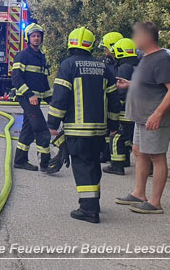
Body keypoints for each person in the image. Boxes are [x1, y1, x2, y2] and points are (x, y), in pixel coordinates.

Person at [47, 27, 121, 223]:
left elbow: (60, 97)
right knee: (93, 164)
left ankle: (88, 210)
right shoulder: (103, 68)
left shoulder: (68, 65)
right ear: (90, 44)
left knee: (82, 166)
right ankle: (94, 203)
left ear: (71, 43)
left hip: (77, 129)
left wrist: (53, 122)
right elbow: (114, 99)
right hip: (100, 130)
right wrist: (114, 124)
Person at [115, 22, 170, 214]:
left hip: (154, 118)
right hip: (142, 117)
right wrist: (129, 84)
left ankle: (155, 202)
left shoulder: (162, 59)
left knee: (157, 156)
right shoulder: (145, 58)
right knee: (138, 151)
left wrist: (158, 113)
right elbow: (151, 82)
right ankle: (139, 193)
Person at [12, 23, 53, 171]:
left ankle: (20, 160)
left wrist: (53, 101)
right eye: (33, 36)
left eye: (38, 36)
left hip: (36, 99)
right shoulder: (23, 55)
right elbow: (16, 77)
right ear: (28, 38)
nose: (36, 38)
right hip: (27, 98)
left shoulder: (41, 57)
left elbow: (44, 82)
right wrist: (29, 94)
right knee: (41, 128)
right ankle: (45, 163)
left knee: (28, 129)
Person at [104, 38, 139, 175]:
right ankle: (125, 160)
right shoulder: (138, 65)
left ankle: (116, 165)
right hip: (138, 108)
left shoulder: (124, 68)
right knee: (129, 138)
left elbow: (120, 90)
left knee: (117, 136)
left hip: (126, 109)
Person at [99, 31, 123, 163]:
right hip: (107, 100)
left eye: (106, 47)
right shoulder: (103, 61)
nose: (104, 50)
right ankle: (105, 153)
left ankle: (119, 158)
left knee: (118, 131)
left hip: (120, 100)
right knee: (107, 128)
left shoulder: (123, 63)